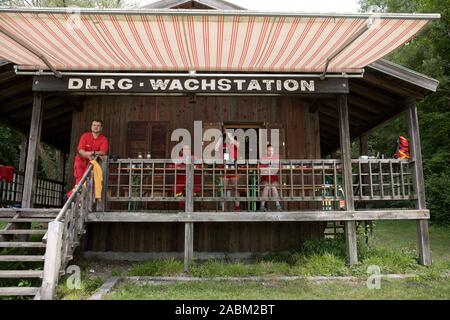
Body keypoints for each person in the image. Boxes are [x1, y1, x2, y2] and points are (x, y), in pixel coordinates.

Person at [74, 119, 109, 184]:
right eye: (94, 125)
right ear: (91, 126)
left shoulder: (104, 139)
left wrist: (92, 153)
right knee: (79, 180)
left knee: (88, 181)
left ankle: (70, 194)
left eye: (98, 125)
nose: (96, 127)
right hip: (80, 161)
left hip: (92, 162)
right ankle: (73, 194)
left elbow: (103, 152)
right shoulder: (85, 136)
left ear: (101, 128)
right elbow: (80, 149)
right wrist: (86, 154)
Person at [215, 132, 241, 212]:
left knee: (235, 189)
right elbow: (216, 148)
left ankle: (237, 207)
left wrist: (230, 136)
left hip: (234, 170)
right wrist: (220, 137)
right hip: (224, 170)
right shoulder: (224, 146)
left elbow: (238, 144)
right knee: (224, 189)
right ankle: (223, 208)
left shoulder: (235, 145)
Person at [172, 145, 201, 210]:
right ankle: (183, 206)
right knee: (175, 189)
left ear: (190, 151)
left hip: (192, 180)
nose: (186, 151)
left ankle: (191, 206)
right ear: (182, 151)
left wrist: (194, 166)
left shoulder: (194, 158)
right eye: (185, 149)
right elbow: (174, 166)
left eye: (188, 149)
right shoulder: (178, 158)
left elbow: (198, 166)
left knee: (196, 189)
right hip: (181, 180)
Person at [259, 144, 282, 212]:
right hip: (265, 179)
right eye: (269, 150)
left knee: (273, 187)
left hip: (274, 179)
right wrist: (270, 169)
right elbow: (261, 168)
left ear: (273, 151)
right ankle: (262, 206)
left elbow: (278, 168)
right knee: (266, 187)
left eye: (271, 150)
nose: (270, 152)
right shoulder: (263, 158)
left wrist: (269, 169)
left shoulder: (276, 158)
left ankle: (278, 205)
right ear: (266, 151)